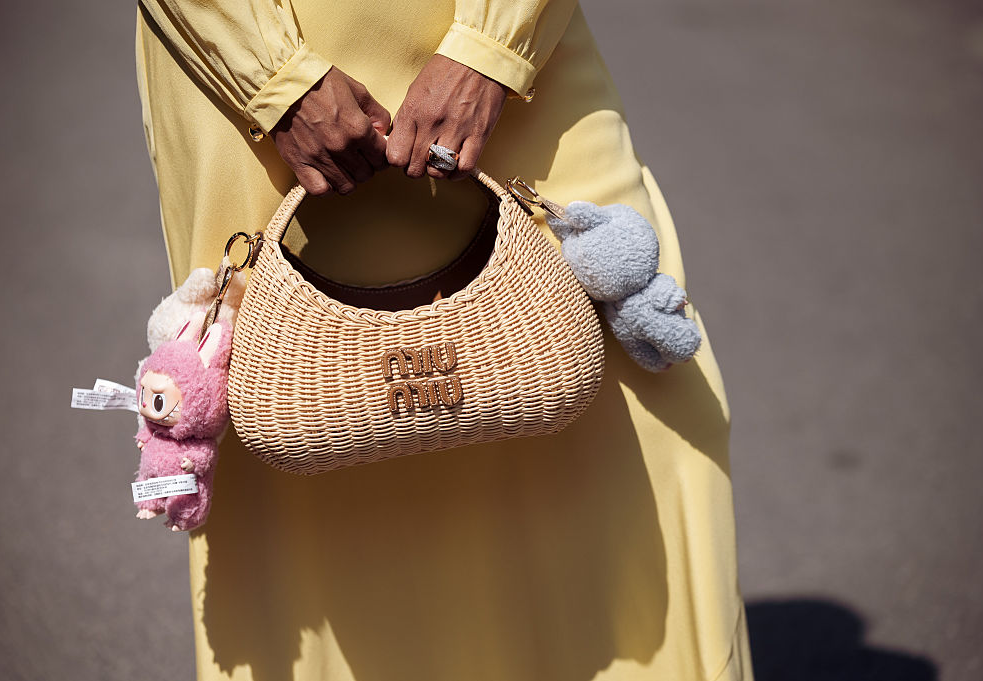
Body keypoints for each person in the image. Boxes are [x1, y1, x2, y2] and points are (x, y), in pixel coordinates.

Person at [134, 1, 753, 679]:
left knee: (653, 420)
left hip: (515, 50)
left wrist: (492, 47)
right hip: (251, 56)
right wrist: (273, 78)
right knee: (296, 448)